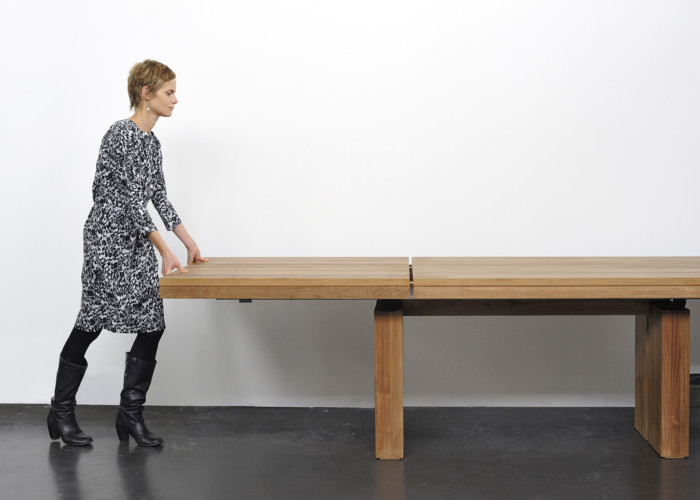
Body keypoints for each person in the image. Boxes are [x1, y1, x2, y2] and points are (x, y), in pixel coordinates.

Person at [47, 59, 207, 447]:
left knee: (152, 323)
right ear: (145, 93)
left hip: (136, 240)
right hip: (107, 241)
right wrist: (164, 249)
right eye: (169, 92)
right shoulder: (121, 134)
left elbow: (158, 197)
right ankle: (61, 412)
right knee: (92, 321)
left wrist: (187, 242)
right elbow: (129, 201)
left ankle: (130, 417)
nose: (175, 99)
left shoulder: (152, 143)